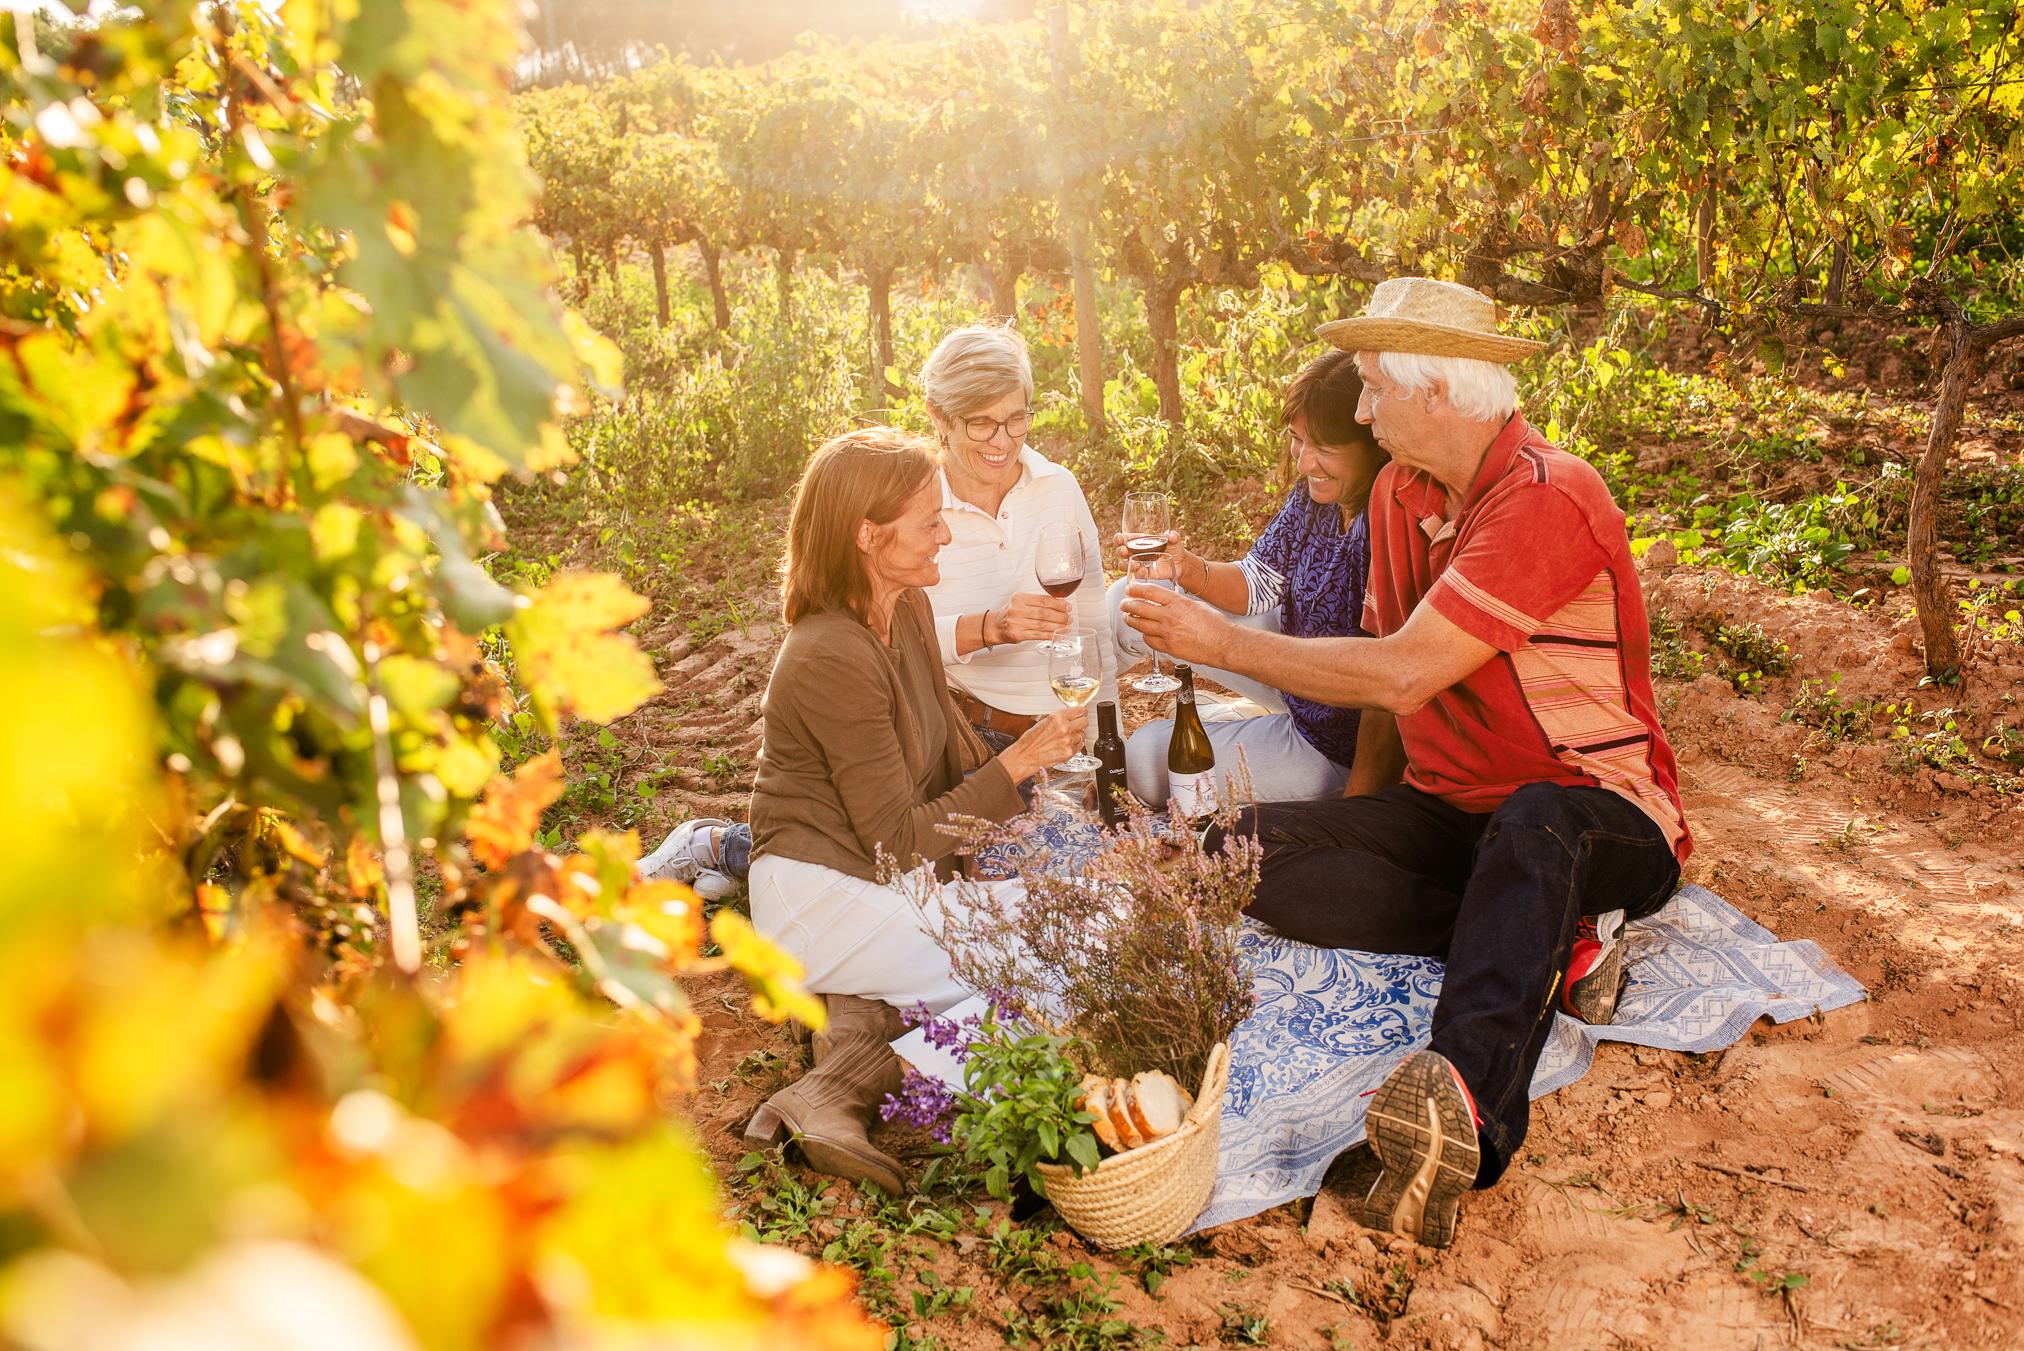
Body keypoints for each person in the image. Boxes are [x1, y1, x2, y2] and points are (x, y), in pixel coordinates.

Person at [1121, 277, 1690, 1249]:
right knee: (1226, 850)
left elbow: (1401, 671)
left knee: (1532, 825)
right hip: (1451, 808)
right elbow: (1395, 697)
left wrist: (1219, 644)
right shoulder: (1399, 494)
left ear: (1440, 394)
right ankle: (1550, 938)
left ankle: (1462, 1112)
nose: (1364, 406)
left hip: (1598, 810)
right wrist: (1352, 819)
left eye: (1377, 386)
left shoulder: (1549, 497)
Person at [734, 426, 1089, 1195]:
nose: (947, 530)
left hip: (888, 883)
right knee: (1048, 960)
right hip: (819, 896)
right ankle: (859, 1071)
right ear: (867, 536)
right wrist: (1020, 761)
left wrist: (1013, 819)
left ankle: (848, 1067)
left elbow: (948, 757)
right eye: (930, 519)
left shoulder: (909, 608)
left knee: (1077, 914)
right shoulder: (830, 652)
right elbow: (899, 840)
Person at [642, 323, 1116, 896]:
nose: (1003, 439)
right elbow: (882, 646)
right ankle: (733, 847)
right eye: (981, 422)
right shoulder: (904, 503)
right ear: (938, 415)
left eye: (1017, 418)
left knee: (1077, 876)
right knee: (970, 879)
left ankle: (751, 860)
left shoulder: (1057, 489)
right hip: (954, 736)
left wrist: (1100, 741)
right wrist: (986, 628)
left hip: (1048, 737)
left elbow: (1092, 633)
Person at [1105, 350, 1385, 806]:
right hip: (1288, 671)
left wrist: (1359, 816)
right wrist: (1185, 567)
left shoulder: (1389, 519)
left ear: (1372, 443)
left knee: (1147, 765)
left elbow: (1384, 695)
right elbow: (1257, 584)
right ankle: (1089, 738)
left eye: (1325, 449)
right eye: (1297, 440)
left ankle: (1253, 737)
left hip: (1334, 742)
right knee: (1134, 596)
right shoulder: (1317, 495)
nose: (1304, 463)